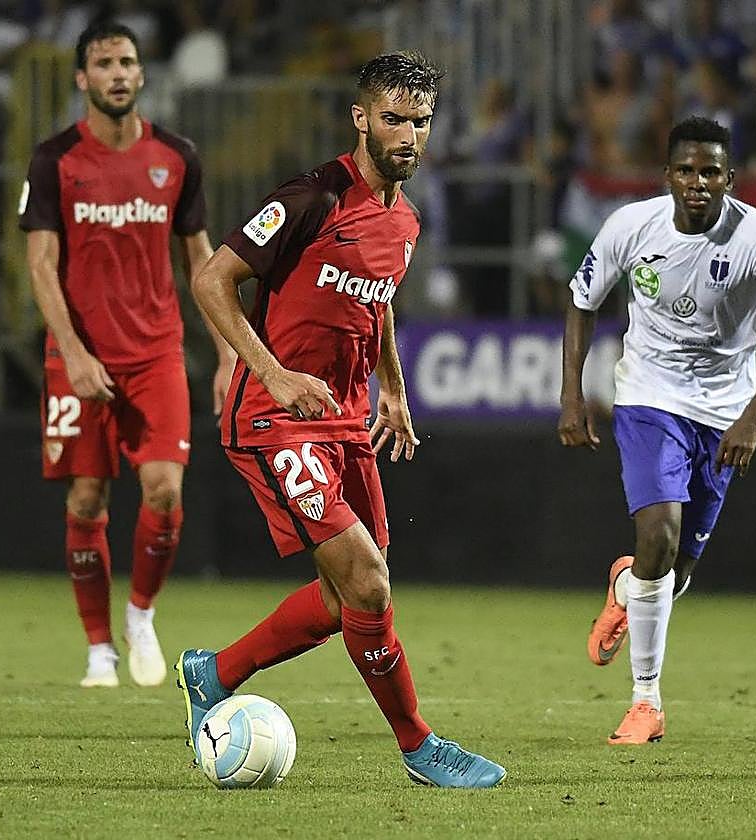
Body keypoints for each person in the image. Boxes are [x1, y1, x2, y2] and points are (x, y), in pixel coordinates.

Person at [175, 51, 505, 789]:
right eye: (392, 119)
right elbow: (210, 278)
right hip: (274, 417)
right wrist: (272, 372)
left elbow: (374, 298)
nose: (408, 135)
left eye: (419, 122)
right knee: (368, 582)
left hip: (347, 419)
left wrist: (392, 383)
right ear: (360, 118)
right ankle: (420, 745)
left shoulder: (407, 221)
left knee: (342, 598)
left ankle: (215, 671)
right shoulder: (311, 199)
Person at [558, 116, 756, 744]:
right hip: (648, 396)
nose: (698, 183)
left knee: (675, 572)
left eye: (711, 172)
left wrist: (754, 415)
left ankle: (627, 584)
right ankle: (646, 702)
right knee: (661, 533)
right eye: (686, 170)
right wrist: (571, 392)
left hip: (725, 411)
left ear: (730, 178)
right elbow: (583, 302)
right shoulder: (631, 227)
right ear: (667, 175)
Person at [19, 21, 235, 689]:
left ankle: (140, 614)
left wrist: (229, 352)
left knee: (164, 490)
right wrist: (74, 353)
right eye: (103, 63)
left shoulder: (176, 157)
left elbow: (202, 262)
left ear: (142, 75)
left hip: (155, 354)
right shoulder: (54, 160)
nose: (117, 72)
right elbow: (41, 265)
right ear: (82, 78)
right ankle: (98, 651)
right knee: (87, 500)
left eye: (127, 62)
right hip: (77, 359)